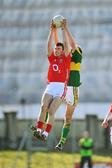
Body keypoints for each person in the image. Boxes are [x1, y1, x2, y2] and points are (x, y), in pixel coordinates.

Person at [31, 20, 71, 141]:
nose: (56, 50)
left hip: (61, 88)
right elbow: (48, 46)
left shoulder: (66, 58)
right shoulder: (52, 58)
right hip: (51, 86)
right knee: (43, 107)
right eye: (56, 48)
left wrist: (63, 28)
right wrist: (51, 30)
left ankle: (45, 134)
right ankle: (38, 131)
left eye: (59, 49)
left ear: (62, 50)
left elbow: (65, 43)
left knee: (51, 110)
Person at [54, 19, 82, 151]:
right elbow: (59, 45)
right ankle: (42, 129)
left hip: (73, 87)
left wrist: (65, 28)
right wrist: (54, 31)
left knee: (68, 117)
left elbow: (70, 43)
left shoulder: (77, 54)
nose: (72, 48)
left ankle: (62, 141)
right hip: (63, 86)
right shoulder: (66, 56)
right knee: (49, 104)